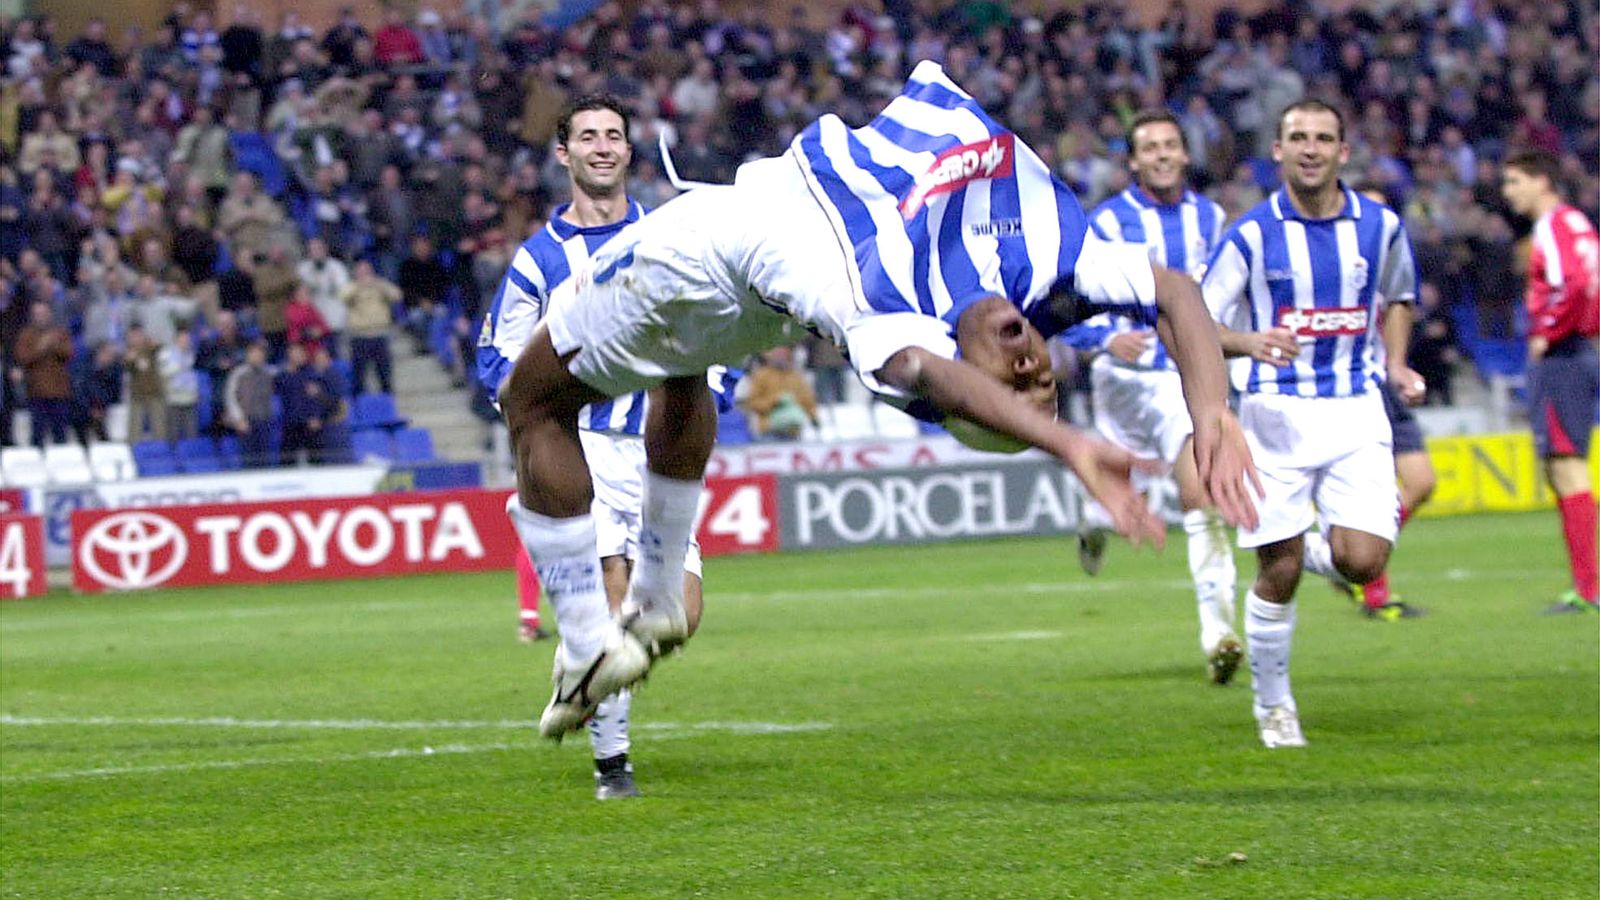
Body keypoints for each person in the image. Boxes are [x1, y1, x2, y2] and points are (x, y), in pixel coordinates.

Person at [500, 62, 1259, 741]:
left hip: (719, 244)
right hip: (758, 272)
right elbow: (1175, 293)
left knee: (530, 401)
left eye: (1015, 381)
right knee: (684, 365)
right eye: (1042, 376)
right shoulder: (1055, 267)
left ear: (961, 378)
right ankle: (659, 598)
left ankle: (580, 637)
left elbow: (930, 375)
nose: (1033, 363)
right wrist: (1213, 415)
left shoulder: (887, 315)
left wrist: (1066, 445)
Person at [479, 95, 734, 799]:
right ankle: (612, 766)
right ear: (563, 153)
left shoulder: (670, 238)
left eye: (613, 137)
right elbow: (496, 359)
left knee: (675, 619)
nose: (601, 147)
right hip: (583, 448)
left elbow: (718, 321)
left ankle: (576, 676)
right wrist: (546, 406)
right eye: (586, 137)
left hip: (653, 455)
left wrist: (717, 383)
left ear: (628, 152)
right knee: (612, 606)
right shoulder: (539, 260)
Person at [1201, 100, 1423, 748]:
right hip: (1274, 414)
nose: (1310, 148)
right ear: (1277, 150)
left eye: (1323, 138)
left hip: (1357, 408)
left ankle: (1323, 553)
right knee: (1280, 569)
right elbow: (1200, 324)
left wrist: (1399, 364)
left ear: (1343, 151)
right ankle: (1274, 707)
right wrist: (1248, 341)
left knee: (1364, 561)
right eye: (1297, 137)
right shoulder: (1249, 234)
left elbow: (1401, 296)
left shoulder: (1379, 227)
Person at [1059, 110, 1241, 683]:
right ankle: (1093, 522)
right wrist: (1106, 337)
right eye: (1149, 148)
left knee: (1200, 489)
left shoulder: (1211, 219)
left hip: (1177, 378)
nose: (1161, 155)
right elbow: (1063, 299)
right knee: (1116, 496)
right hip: (1122, 382)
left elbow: (1219, 300)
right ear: (1133, 162)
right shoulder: (1107, 222)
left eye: (1170, 145)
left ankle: (1218, 632)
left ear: (1185, 155)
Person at [1299, 186, 1435, 621]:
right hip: (1351, 386)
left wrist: (1399, 364)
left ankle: (1350, 557)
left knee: (1420, 482)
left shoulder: (1386, 258)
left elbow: (1402, 305)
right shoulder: (1329, 261)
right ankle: (1371, 587)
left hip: (1385, 379)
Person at [1500, 150, 1600, 614]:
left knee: (1566, 467)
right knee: (1565, 466)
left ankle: (1588, 588)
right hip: (1580, 353)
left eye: (1516, 181)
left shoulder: (1553, 225)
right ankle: (1587, 586)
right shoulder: (1578, 223)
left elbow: (1574, 285)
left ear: (1543, 180)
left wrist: (1547, 331)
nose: (1509, 192)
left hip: (1562, 356)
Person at [13, 301, 73, 447]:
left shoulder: (60, 333)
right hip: (36, 392)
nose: (41, 317)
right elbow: (23, 357)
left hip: (59, 392)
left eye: (43, 314)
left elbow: (69, 353)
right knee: (37, 433)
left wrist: (53, 344)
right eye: (37, 314)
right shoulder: (26, 335)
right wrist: (41, 347)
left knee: (60, 434)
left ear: (50, 314)